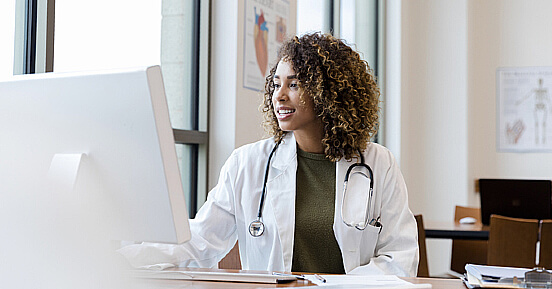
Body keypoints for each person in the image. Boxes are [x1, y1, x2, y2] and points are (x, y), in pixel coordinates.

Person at [118, 32, 419, 276]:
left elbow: (399, 257)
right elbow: (199, 241)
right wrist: (123, 257)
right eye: (276, 84)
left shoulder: (379, 164)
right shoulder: (247, 163)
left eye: (294, 84)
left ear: (328, 93)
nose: (279, 95)